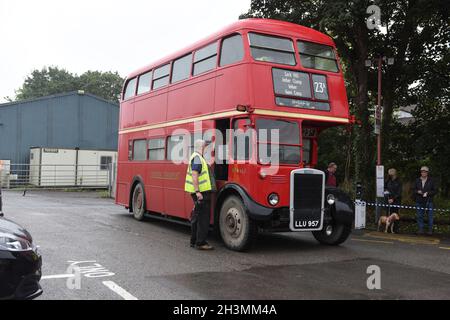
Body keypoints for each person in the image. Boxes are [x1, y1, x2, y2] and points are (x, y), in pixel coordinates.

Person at [184, 139, 216, 250]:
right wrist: (198, 192)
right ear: (202, 148)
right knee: (203, 218)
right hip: (201, 193)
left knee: (197, 217)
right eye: (205, 147)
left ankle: (193, 241)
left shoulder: (197, 157)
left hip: (200, 192)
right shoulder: (197, 159)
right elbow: (194, 175)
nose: (206, 149)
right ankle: (200, 242)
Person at [413, 166, 437, 235]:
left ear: (427, 173)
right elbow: (413, 189)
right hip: (419, 200)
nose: (423, 173)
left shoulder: (431, 180)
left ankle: (430, 230)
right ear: (420, 172)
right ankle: (421, 230)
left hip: (429, 201)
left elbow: (435, 190)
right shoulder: (417, 180)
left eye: (425, 172)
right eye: (422, 172)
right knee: (419, 216)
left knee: (430, 216)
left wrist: (428, 193)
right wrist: (418, 191)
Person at [384, 168, 402, 233]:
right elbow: (385, 188)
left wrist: (393, 199)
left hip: (396, 201)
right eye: (389, 174)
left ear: (394, 174)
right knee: (388, 215)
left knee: (395, 216)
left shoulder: (399, 182)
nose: (390, 175)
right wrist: (387, 196)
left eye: (391, 174)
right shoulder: (388, 180)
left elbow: (399, 193)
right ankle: (387, 229)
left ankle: (395, 229)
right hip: (388, 201)